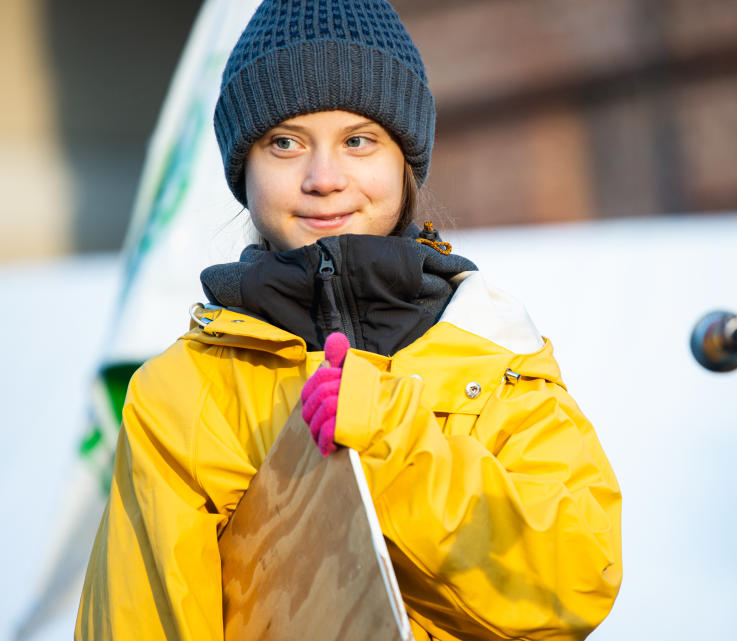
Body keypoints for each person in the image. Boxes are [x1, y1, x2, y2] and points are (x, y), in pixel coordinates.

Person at [75, 1, 622, 639]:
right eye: (285, 142)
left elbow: (574, 586)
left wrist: (391, 440)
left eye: (359, 140)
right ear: (242, 169)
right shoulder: (181, 397)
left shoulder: (494, 354)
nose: (325, 178)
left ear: (403, 160)